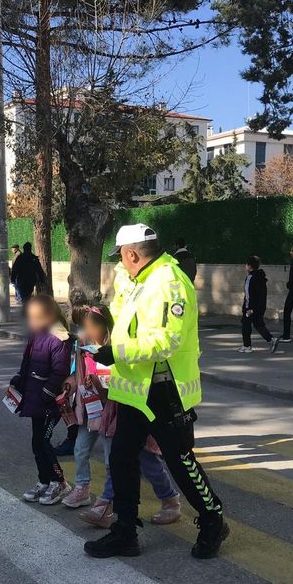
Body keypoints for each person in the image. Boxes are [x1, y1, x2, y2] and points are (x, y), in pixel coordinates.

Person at [82, 223, 228, 560]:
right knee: (121, 458)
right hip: (134, 388)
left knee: (181, 462)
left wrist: (114, 354)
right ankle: (125, 531)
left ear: (132, 253)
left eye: (120, 255)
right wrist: (96, 325)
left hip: (164, 390)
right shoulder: (136, 280)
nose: (118, 261)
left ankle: (213, 520)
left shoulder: (169, 282)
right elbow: (119, 317)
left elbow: (165, 342)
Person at [65, 305, 182, 527]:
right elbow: (79, 374)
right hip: (110, 414)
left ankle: (169, 501)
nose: (85, 334)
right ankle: (106, 508)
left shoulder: (118, 348)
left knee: (146, 462)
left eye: (89, 328)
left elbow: (129, 375)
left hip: (132, 408)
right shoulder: (87, 350)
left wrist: (101, 385)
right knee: (121, 459)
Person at [8, 295, 73, 506]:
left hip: (49, 403)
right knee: (36, 443)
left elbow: (60, 371)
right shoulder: (36, 335)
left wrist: (47, 394)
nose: (32, 321)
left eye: (36, 317)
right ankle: (44, 480)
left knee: (44, 442)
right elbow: (26, 363)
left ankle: (60, 482)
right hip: (34, 400)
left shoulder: (59, 338)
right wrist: (17, 381)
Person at [240, 255, 279, 354]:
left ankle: (247, 345)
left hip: (251, 307)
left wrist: (248, 308)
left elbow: (249, 294)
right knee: (258, 324)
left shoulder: (250, 278)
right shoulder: (260, 277)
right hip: (260, 306)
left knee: (245, 324)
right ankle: (271, 339)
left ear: (249, 266)